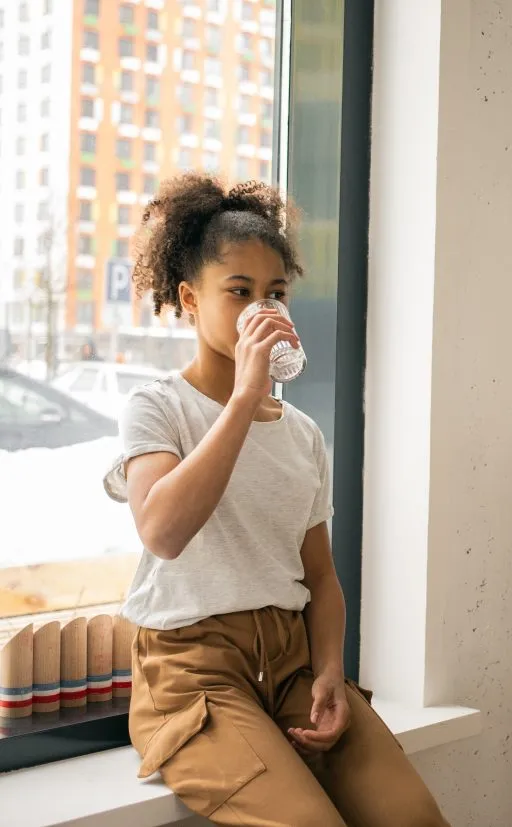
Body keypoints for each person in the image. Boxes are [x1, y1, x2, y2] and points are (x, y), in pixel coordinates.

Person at [103, 174, 449, 827]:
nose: (262, 310)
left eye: (276, 294)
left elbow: (320, 576)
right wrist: (242, 398)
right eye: (238, 292)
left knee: (416, 818)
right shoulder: (157, 407)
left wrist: (328, 673)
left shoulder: (302, 435)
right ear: (189, 297)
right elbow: (163, 531)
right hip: (195, 673)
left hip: (290, 664)